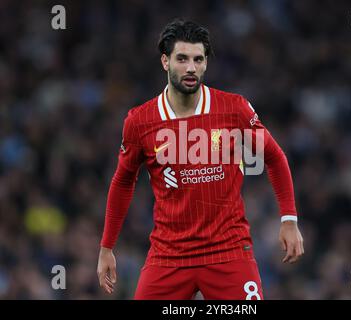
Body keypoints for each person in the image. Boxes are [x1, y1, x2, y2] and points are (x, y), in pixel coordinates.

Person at [97, 19, 304, 300]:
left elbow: (274, 157)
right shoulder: (140, 121)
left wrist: (289, 220)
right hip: (168, 256)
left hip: (228, 253)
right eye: (182, 59)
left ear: (206, 63)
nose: (191, 67)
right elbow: (123, 181)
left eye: (198, 59)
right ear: (165, 62)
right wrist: (107, 247)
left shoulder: (233, 110)